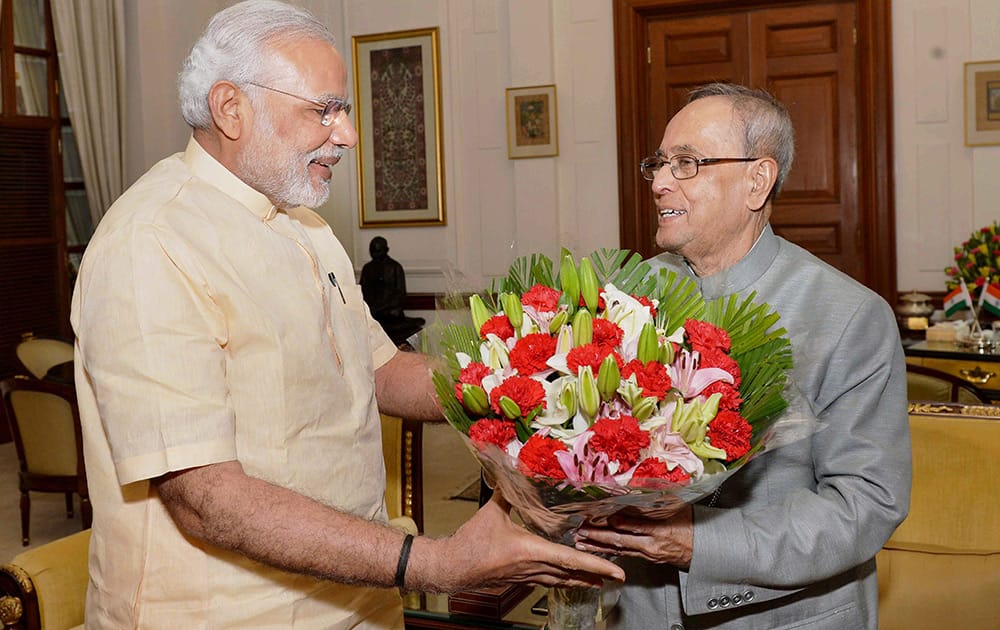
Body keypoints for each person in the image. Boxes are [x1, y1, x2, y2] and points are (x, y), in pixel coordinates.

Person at [69, 1, 623, 627]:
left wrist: (529, 390)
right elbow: (206, 500)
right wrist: (432, 564)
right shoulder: (153, 242)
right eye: (323, 110)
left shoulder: (306, 225)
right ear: (232, 108)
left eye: (345, 110)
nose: (348, 135)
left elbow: (381, 373)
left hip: (356, 596)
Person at [574, 83, 911, 629]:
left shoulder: (848, 315)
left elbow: (866, 504)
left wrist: (698, 543)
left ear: (758, 180)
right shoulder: (623, 296)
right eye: (658, 163)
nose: (660, 182)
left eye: (687, 163)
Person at [360, 236, 425, 345]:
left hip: (390, 314)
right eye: (372, 251)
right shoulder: (367, 269)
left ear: (386, 250)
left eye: (378, 251)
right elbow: (362, 292)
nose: (375, 254)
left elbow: (400, 294)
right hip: (373, 314)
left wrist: (385, 308)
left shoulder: (395, 267)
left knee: (412, 330)